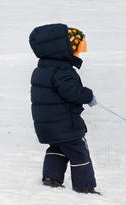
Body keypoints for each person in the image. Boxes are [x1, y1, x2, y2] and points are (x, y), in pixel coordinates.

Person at [29, 24, 99, 194]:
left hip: (49, 124)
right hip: (65, 123)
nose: (78, 52)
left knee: (57, 148)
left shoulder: (42, 69)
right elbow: (72, 93)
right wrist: (87, 96)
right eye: (76, 48)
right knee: (79, 152)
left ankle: (51, 178)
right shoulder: (62, 70)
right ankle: (85, 187)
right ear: (63, 49)